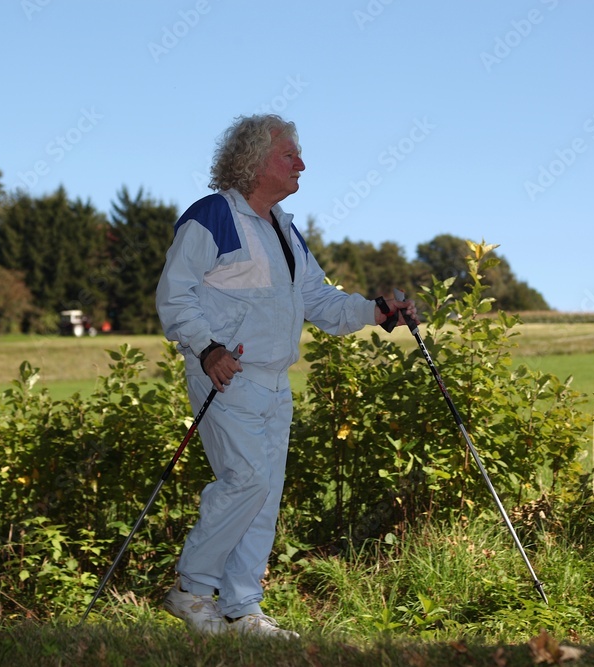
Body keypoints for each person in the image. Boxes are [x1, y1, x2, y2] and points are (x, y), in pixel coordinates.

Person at [155, 114, 416, 639]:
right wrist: (207, 349)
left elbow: (317, 299)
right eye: (289, 154)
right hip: (226, 376)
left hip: (275, 382)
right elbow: (174, 295)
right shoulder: (212, 218)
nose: (301, 163)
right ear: (254, 161)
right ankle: (190, 591)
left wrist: (375, 312)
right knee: (245, 480)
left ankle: (242, 608)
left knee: (264, 493)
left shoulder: (284, 228)